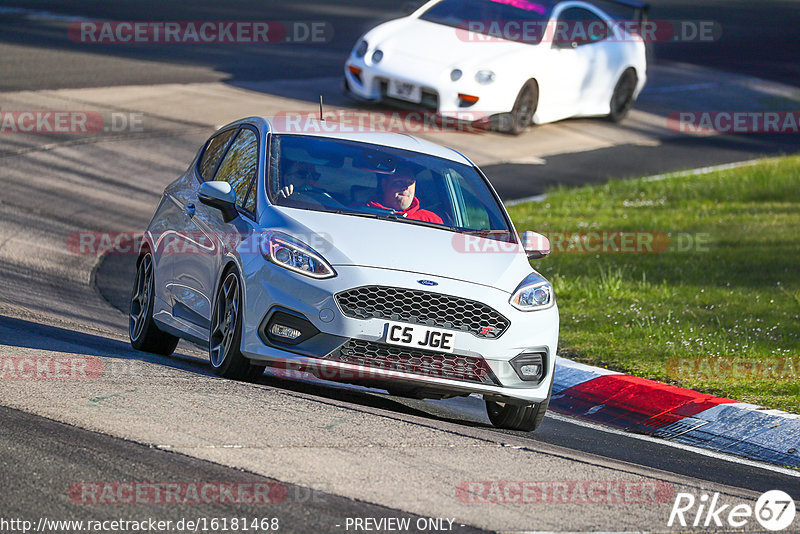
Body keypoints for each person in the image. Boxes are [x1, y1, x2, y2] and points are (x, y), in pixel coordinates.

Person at [365, 163, 443, 224]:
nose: (405, 187)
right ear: (384, 184)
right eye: (399, 182)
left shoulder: (431, 220)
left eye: (410, 183)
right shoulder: (361, 212)